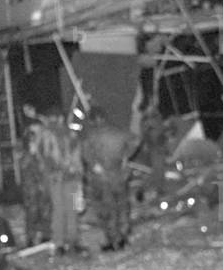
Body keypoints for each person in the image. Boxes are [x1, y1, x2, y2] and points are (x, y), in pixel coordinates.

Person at [82, 108, 137, 252]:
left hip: (103, 177)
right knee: (123, 204)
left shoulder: (92, 135)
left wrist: (95, 165)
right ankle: (124, 234)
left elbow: (86, 154)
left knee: (108, 208)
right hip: (119, 173)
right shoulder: (118, 132)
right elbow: (135, 140)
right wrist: (125, 156)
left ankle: (114, 241)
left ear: (93, 120)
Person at [41, 111, 87, 254]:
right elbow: (77, 157)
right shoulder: (71, 135)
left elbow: (43, 158)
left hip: (56, 179)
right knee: (71, 210)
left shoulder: (45, 135)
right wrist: (78, 174)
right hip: (69, 177)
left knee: (59, 210)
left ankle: (60, 243)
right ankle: (72, 242)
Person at [19, 119, 52, 247]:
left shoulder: (45, 149)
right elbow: (25, 168)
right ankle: (31, 238)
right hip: (31, 189)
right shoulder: (26, 154)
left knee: (46, 210)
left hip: (43, 186)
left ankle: (46, 235)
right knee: (32, 212)